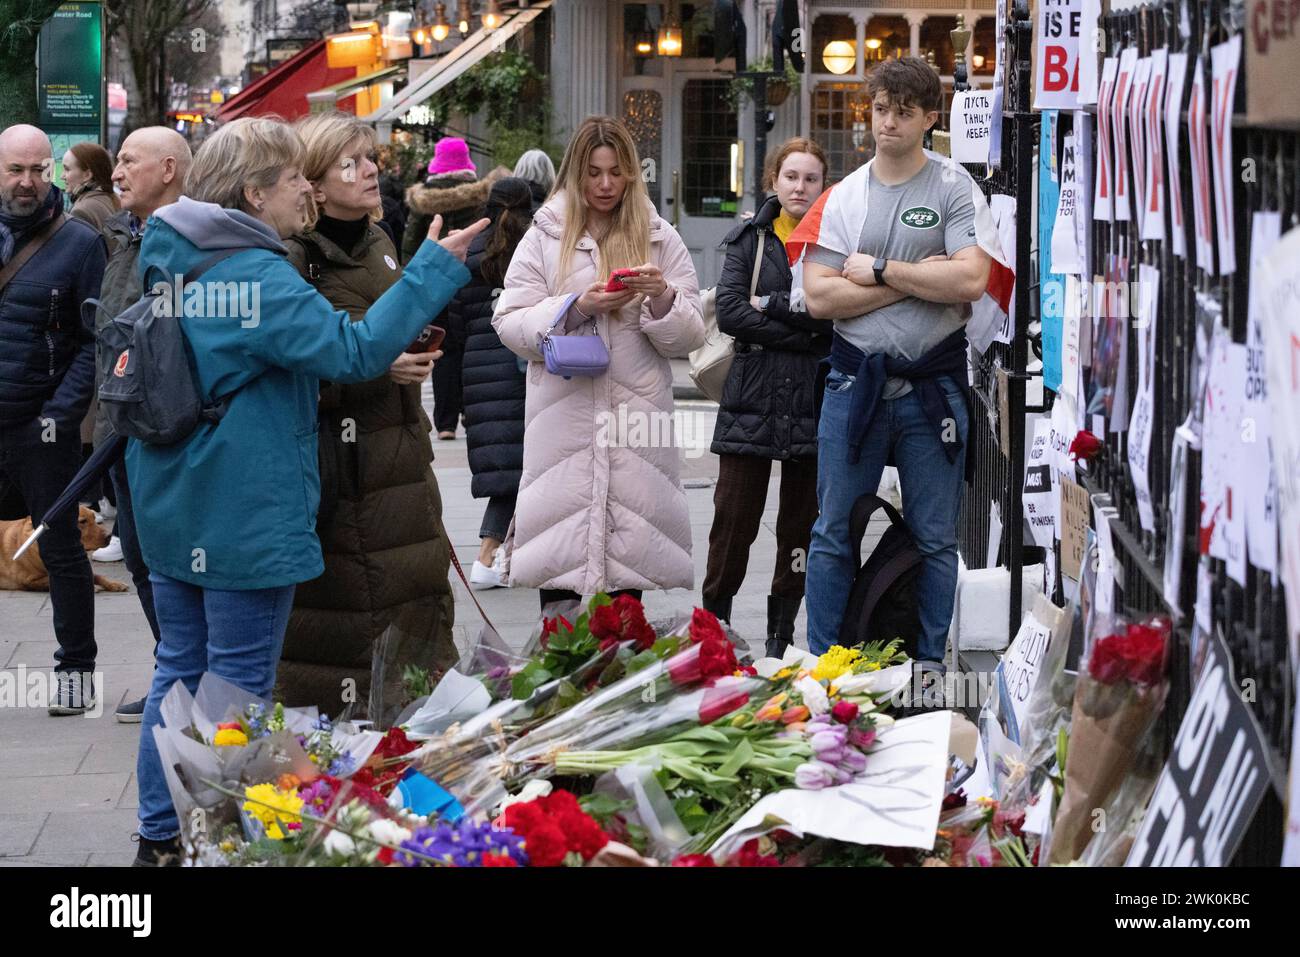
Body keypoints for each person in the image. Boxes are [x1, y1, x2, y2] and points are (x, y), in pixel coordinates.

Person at [126, 116, 486, 865]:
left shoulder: (172, 254)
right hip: (241, 508)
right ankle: (218, 839)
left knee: (180, 666)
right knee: (240, 677)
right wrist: (431, 268)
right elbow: (351, 351)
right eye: (293, 177)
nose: (304, 191)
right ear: (256, 192)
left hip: (173, 498)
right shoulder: (254, 276)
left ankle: (160, 836)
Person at [795, 58, 994, 674]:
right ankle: (829, 662)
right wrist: (921, 280)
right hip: (854, 384)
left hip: (932, 389)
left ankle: (929, 665)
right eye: (881, 108)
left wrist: (880, 270)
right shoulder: (842, 196)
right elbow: (820, 296)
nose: (889, 122)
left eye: (905, 111)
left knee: (935, 537)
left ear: (930, 118)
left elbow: (972, 276)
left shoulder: (954, 186)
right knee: (832, 532)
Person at [276, 111, 458, 719]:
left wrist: (415, 347)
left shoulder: (380, 240)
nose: (370, 169)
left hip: (401, 457)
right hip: (343, 472)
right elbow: (296, 366)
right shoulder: (295, 257)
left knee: (416, 600)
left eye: (370, 157)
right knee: (350, 623)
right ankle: (340, 767)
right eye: (349, 162)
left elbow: (387, 324)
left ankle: (411, 750)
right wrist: (383, 367)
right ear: (314, 185)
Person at [493, 115, 705, 610]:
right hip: (562, 421)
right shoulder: (545, 233)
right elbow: (509, 322)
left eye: (615, 171)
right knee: (560, 568)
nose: (605, 184)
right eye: (593, 172)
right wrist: (576, 308)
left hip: (636, 423)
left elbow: (691, 333)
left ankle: (622, 681)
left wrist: (661, 298)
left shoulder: (658, 236)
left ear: (632, 172)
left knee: (628, 576)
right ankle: (563, 678)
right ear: (575, 173)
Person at [702, 138, 831, 659]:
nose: (800, 187)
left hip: (812, 400)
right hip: (751, 394)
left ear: (824, 186)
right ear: (773, 181)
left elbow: (837, 315)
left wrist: (776, 312)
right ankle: (715, 624)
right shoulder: (749, 238)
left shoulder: (832, 240)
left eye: (811, 179)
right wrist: (802, 332)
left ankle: (782, 632)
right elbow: (731, 311)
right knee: (733, 519)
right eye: (791, 176)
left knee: (800, 524)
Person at [0, 124, 106, 714]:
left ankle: (75, 675)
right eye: (17, 170)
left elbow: (95, 339)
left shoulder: (79, 243)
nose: (29, 182)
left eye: (40, 170)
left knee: (60, 545)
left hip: (41, 425)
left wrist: (59, 413)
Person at [90, 127, 193, 722]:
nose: (118, 172)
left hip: (166, 435)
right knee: (139, 558)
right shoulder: (122, 237)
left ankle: (182, 681)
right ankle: (170, 670)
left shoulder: (190, 239)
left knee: (168, 560)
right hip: (121, 431)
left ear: (170, 169)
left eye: (129, 161)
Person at [450, 176, 535, 589]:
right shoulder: (536, 250)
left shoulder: (471, 257)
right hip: (528, 370)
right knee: (526, 466)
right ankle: (488, 555)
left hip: (481, 374)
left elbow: (456, 327)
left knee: (508, 465)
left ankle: (506, 555)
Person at [402, 138, 507, 438]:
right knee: (471, 343)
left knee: (442, 346)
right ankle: (470, 411)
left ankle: (445, 422)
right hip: (472, 277)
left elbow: (409, 246)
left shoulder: (423, 202)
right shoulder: (480, 195)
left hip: (434, 281)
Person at [62, 141, 120, 232]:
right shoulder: (113, 199)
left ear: (87, 175)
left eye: (67, 169)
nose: (62, 176)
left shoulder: (81, 211)